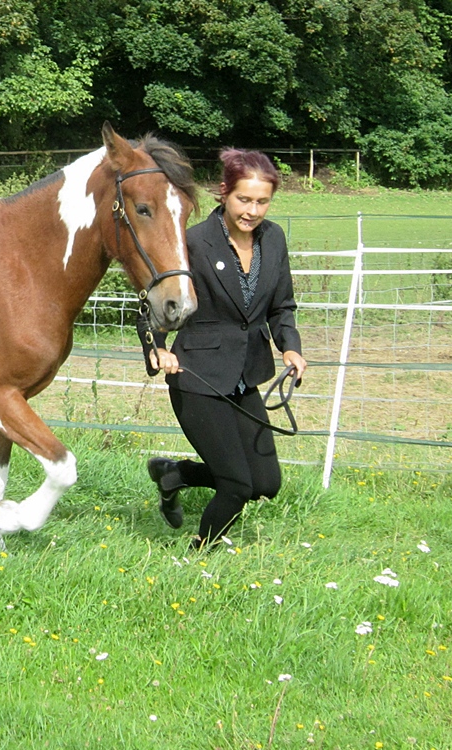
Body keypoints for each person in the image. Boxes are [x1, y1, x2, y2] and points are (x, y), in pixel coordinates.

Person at [138, 148, 307, 550]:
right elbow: (153, 304)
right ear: (224, 193)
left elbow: (282, 306)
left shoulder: (274, 239)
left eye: (262, 201)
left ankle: (175, 475)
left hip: (246, 376)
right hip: (197, 377)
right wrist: (158, 347)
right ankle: (200, 554)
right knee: (236, 486)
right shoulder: (194, 242)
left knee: (265, 483)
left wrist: (290, 347)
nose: (252, 211)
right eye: (243, 199)